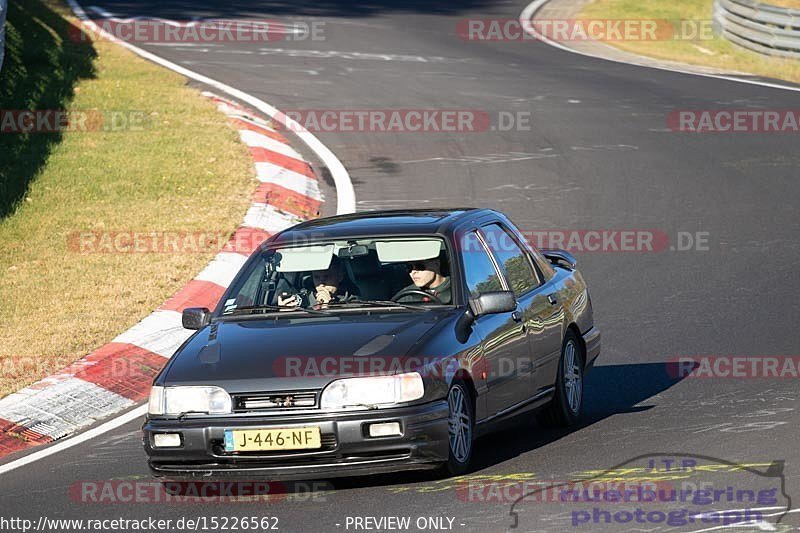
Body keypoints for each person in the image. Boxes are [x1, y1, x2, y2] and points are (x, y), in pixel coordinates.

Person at [278, 255, 359, 307]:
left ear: (340, 276)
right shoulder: (302, 300)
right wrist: (283, 311)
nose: (321, 283)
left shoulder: (351, 303)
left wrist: (327, 307)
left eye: (327, 277)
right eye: (316, 277)